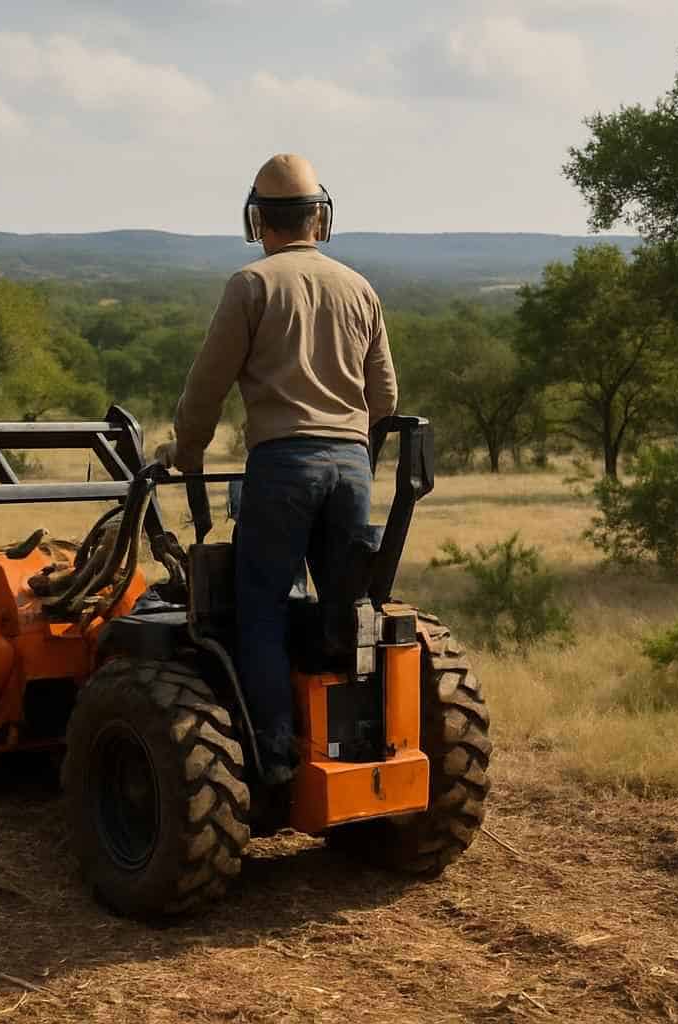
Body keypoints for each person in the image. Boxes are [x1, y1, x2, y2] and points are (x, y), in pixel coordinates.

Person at [154, 153, 398, 785]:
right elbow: (386, 399)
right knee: (347, 610)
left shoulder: (251, 285)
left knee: (259, 606)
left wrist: (187, 453)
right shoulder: (360, 288)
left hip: (283, 465)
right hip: (351, 466)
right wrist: (349, 445)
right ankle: (357, 746)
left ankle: (275, 755)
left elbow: (205, 390)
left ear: (257, 220)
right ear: (321, 217)